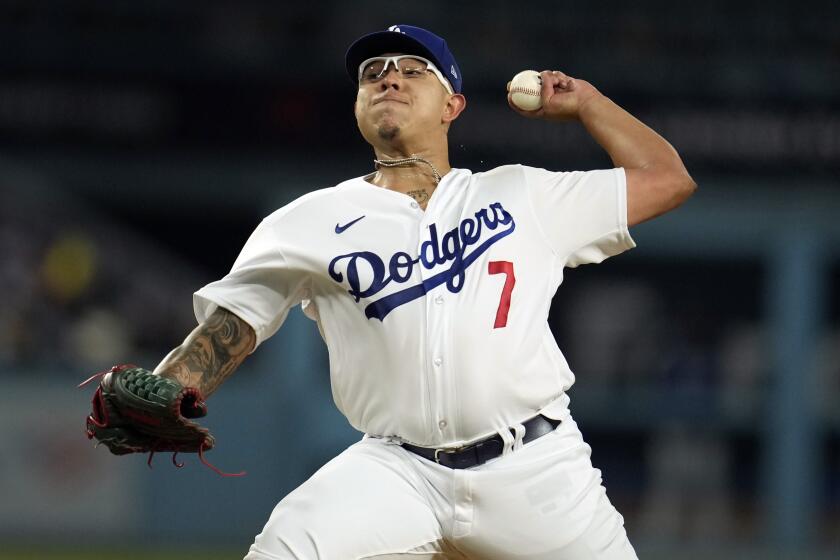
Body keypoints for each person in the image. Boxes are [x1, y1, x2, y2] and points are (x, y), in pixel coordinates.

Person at [152, 24, 695, 559]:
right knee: (285, 548)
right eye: (373, 75)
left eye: (413, 71)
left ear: (451, 106)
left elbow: (668, 179)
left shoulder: (522, 194)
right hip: (396, 472)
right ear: (359, 106)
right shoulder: (307, 221)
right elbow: (232, 327)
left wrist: (590, 104)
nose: (389, 80)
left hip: (535, 470)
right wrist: (165, 390)